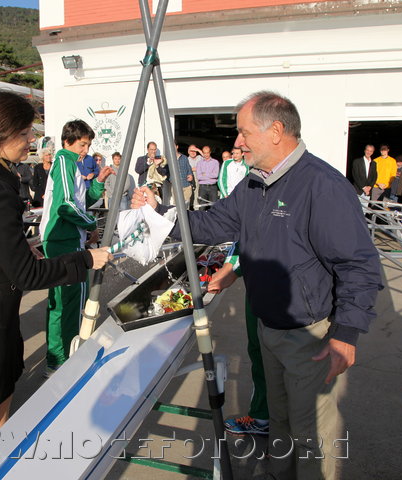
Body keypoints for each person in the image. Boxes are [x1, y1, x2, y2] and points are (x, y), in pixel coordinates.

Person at [132, 91, 382, 479]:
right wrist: (158, 212)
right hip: (269, 327)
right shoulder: (253, 184)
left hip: (309, 337)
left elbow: (359, 265)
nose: (237, 142)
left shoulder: (321, 185)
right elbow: (213, 224)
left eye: (244, 133)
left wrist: (346, 334)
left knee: (313, 438)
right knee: (280, 426)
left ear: (277, 131)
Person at [0, 91, 111, 478]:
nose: (32, 142)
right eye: (26, 133)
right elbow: (26, 275)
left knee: (0, 399)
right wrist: (84, 259)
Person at [39, 120, 114, 376]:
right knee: (64, 302)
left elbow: (82, 200)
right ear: (68, 141)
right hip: (62, 240)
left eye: (88, 145)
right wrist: (91, 224)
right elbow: (66, 205)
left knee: (72, 301)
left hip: (71, 239)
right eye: (83, 144)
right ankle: (59, 359)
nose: (86, 149)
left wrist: (99, 182)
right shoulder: (63, 161)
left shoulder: (73, 164)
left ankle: (67, 354)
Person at [208, 244, 269, 436]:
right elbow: (243, 234)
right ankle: (265, 418)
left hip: (287, 289)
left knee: (276, 358)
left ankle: (288, 436)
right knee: (260, 352)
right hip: (260, 284)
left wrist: (230, 269)